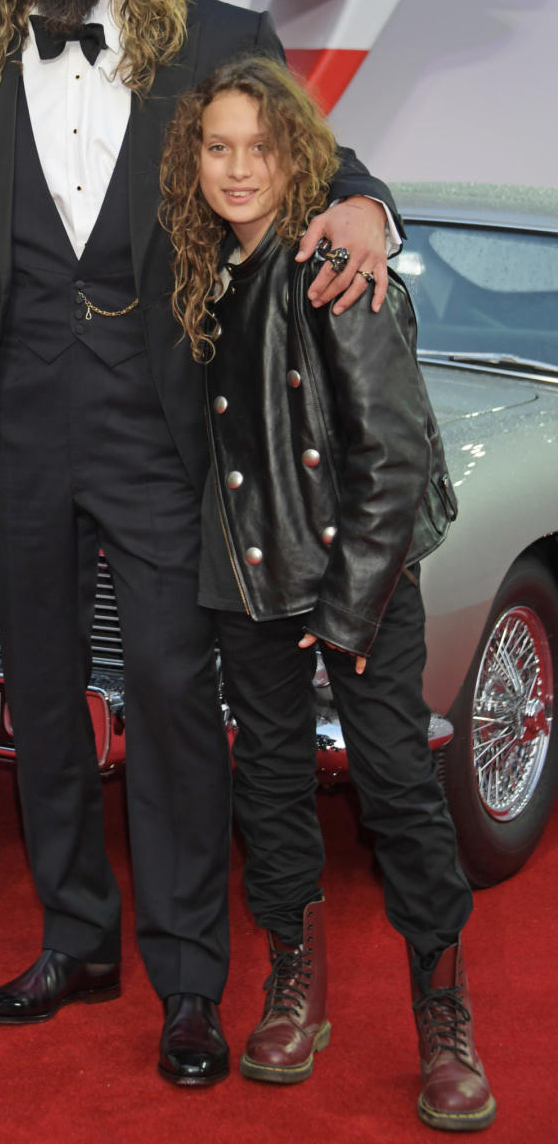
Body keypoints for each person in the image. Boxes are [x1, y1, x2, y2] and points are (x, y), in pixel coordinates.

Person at [0, 0, 397, 1086]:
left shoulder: (224, 43)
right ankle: (75, 937)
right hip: (17, 422)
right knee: (41, 696)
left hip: (160, 429)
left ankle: (190, 980)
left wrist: (362, 200)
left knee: (177, 704)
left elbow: (322, 160)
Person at [160, 55, 495, 1130]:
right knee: (267, 783)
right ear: (193, 158)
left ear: (298, 153)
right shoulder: (199, 266)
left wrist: (344, 618)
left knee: (396, 782)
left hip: (356, 574)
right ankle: (294, 984)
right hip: (246, 575)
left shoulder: (337, 266)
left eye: (261, 146)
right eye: (219, 147)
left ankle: (444, 1013)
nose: (240, 166)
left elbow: (391, 462)